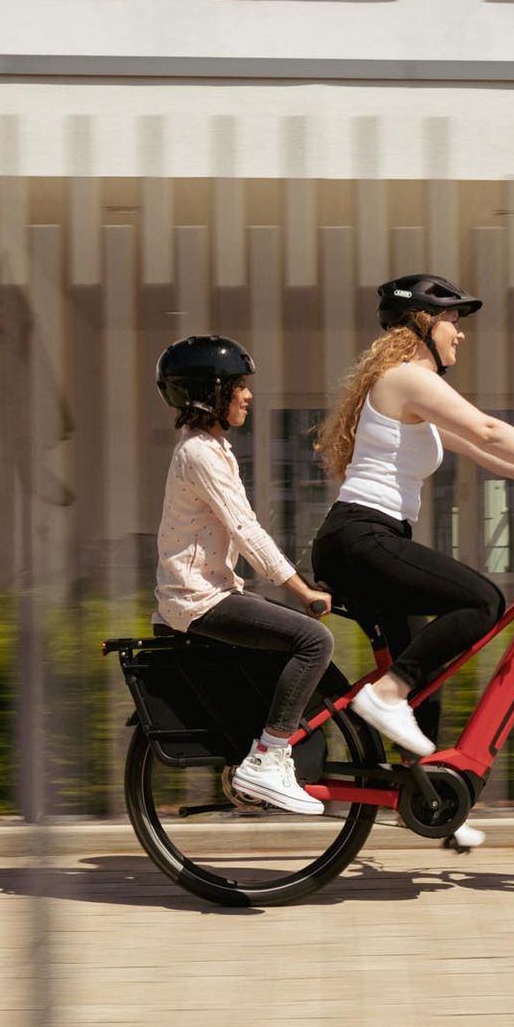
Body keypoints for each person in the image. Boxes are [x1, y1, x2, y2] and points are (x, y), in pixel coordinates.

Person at [310, 275, 514, 849]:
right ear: (423, 324)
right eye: (453, 321)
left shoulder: (411, 389)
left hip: (365, 541)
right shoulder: (406, 377)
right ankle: (385, 696)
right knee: (481, 600)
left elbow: (478, 448)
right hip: (361, 538)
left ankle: (429, 801)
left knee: (425, 680)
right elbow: (488, 429)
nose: (461, 334)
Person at [153, 334, 335, 816]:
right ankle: (268, 758)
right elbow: (246, 529)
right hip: (198, 600)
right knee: (314, 641)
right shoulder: (199, 454)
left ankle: (272, 748)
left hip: (211, 593)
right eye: (238, 385)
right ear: (209, 393)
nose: (248, 395)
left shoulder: (213, 448)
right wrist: (301, 591)